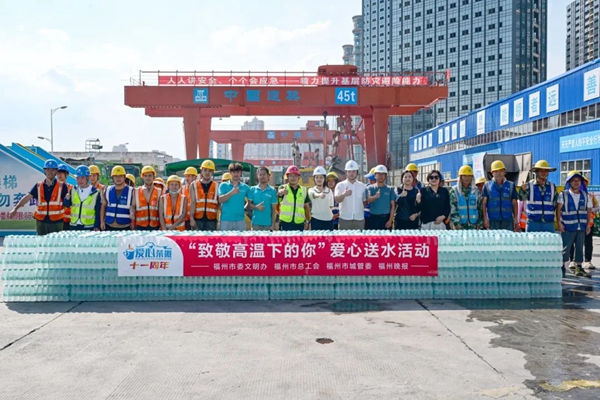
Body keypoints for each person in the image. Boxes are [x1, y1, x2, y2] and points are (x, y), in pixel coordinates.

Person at [8, 159, 68, 235]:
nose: (50, 172)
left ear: (56, 171)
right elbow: (27, 197)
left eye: (53, 169)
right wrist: (15, 208)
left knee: (56, 242)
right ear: (44, 170)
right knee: (41, 241)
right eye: (48, 169)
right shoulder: (38, 186)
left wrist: (68, 199)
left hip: (56, 222)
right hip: (41, 221)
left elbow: (67, 203)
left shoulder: (62, 186)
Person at [557, 171, 592, 278]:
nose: (576, 182)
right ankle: (562, 267)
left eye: (578, 180)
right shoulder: (563, 195)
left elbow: (588, 210)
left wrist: (587, 225)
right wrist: (559, 223)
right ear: (569, 182)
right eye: (573, 180)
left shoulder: (585, 195)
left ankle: (579, 267)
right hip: (567, 226)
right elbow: (558, 209)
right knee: (565, 247)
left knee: (580, 247)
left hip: (581, 226)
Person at [568, 174, 599, 270]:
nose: (583, 185)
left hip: (588, 224)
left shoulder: (590, 196)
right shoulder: (569, 195)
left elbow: (597, 207)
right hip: (575, 223)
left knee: (588, 243)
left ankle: (587, 261)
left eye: (584, 183)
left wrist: (591, 210)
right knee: (573, 242)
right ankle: (572, 260)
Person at [519, 160, 558, 233]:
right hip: (533, 222)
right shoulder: (529, 185)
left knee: (550, 240)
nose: (543, 173)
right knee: (531, 240)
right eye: (541, 170)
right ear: (536, 171)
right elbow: (521, 198)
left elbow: (556, 204)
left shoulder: (552, 186)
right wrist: (523, 190)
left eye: (546, 170)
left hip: (548, 222)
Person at [482, 160, 519, 231]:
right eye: (496, 171)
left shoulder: (511, 185)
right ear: (492, 173)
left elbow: (514, 203)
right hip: (493, 220)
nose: (498, 173)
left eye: (501, 171)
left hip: (508, 220)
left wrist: (515, 219)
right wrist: (485, 219)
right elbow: (483, 203)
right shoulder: (487, 186)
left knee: (508, 238)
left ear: (504, 172)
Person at [63, 165, 102, 231]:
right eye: (78, 178)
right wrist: (67, 199)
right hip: (74, 225)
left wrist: (96, 225)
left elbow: (98, 211)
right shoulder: (73, 190)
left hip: (88, 226)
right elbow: (67, 205)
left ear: (88, 177)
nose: (80, 180)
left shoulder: (95, 192)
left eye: (82, 178)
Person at [334, 160, 367, 230]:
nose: (351, 173)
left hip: (359, 219)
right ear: (346, 172)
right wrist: (344, 194)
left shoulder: (362, 186)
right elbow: (337, 199)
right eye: (349, 171)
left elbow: (365, 201)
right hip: (345, 219)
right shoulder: (340, 185)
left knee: (359, 237)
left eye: (353, 171)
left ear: (357, 172)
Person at [277, 165, 311, 231]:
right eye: (291, 176)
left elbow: (307, 207)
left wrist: (307, 221)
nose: (293, 178)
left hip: (299, 223)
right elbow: (278, 195)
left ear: (298, 177)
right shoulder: (283, 188)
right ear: (287, 177)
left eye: (295, 176)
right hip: (285, 223)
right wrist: (281, 192)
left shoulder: (304, 190)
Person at [218, 163, 250, 231]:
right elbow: (220, 199)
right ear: (230, 173)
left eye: (238, 172)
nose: (236, 174)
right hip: (225, 219)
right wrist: (231, 192)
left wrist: (244, 208)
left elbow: (251, 200)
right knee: (225, 238)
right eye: (234, 172)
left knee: (240, 238)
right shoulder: (223, 185)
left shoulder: (245, 187)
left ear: (241, 173)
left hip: (240, 220)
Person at [101, 165, 134, 231]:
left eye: (120, 176)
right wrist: (102, 222)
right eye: (116, 176)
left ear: (124, 177)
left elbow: (134, 207)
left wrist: (133, 222)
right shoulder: (107, 190)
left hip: (125, 226)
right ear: (112, 177)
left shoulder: (132, 191)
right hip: (109, 225)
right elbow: (103, 206)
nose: (118, 178)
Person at [449, 165, 482, 230]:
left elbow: (480, 208)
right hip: (459, 226)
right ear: (460, 177)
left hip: (474, 226)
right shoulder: (454, 191)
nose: (467, 178)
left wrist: (480, 222)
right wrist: (457, 223)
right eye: (464, 176)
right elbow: (452, 208)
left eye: (469, 176)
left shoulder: (476, 190)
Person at [190, 160, 219, 231]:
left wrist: (219, 220)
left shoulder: (217, 186)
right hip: (197, 220)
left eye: (210, 171)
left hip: (211, 220)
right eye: (205, 170)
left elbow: (219, 203)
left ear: (212, 172)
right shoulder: (193, 185)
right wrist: (191, 218)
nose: (207, 173)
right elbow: (193, 202)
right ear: (201, 171)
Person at [247, 167, 278, 231]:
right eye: (260, 174)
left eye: (264, 174)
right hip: (255, 223)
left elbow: (273, 209)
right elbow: (248, 205)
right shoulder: (252, 189)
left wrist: (273, 224)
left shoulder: (272, 191)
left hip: (268, 224)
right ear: (257, 176)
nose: (262, 176)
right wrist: (256, 207)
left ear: (268, 176)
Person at [131, 165, 161, 231]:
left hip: (155, 225)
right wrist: (132, 214)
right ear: (142, 177)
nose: (148, 178)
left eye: (150, 175)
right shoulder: (137, 191)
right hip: (140, 226)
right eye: (145, 176)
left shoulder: (159, 191)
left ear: (153, 177)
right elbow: (133, 206)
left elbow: (161, 210)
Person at [366, 165, 395, 230]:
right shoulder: (370, 188)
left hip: (386, 218)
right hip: (374, 218)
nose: (381, 176)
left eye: (383, 174)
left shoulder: (390, 189)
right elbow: (369, 199)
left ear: (386, 176)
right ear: (375, 175)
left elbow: (393, 206)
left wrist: (390, 220)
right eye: (379, 174)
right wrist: (375, 197)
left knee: (386, 236)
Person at [308, 166, 334, 231]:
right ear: (314, 179)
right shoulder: (311, 190)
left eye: (321, 177)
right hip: (316, 219)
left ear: (324, 178)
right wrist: (319, 195)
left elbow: (331, 206)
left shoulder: (329, 191)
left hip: (328, 220)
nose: (319, 179)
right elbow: (313, 195)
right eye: (317, 177)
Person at [57, 163, 73, 231]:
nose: (59, 175)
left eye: (61, 173)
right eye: (58, 173)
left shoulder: (71, 188)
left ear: (66, 174)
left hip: (69, 220)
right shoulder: (54, 188)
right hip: (56, 219)